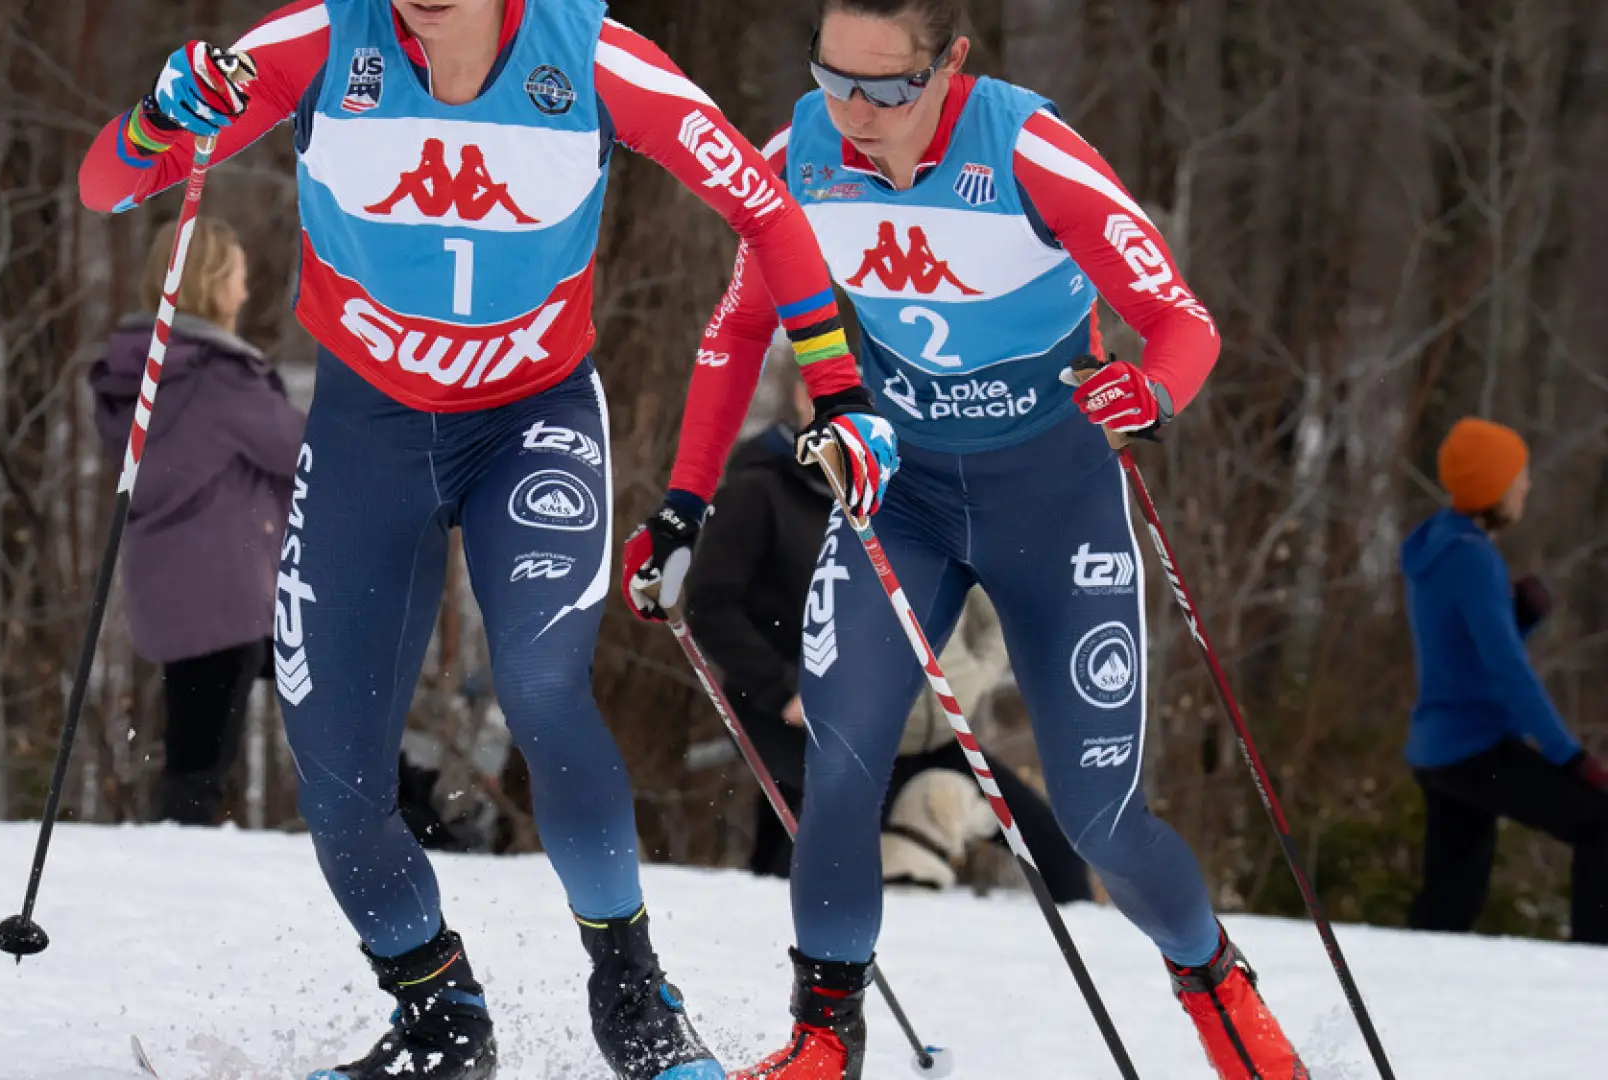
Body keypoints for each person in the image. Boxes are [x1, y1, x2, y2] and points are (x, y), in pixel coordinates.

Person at [77, 3, 896, 1078]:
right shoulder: (317, 43)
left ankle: (633, 995)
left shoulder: (590, 55)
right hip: (372, 430)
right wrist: (159, 117)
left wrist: (839, 390)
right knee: (334, 771)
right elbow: (108, 183)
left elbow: (768, 210)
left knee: (542, 688)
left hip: (530, 420)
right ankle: (438, 1016)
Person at [674, 1, 1311, 1076]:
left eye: (888, 87)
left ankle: (1217, 988)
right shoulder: (799, 156)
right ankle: (823, 1039)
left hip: (1054, 504)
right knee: (842, 762)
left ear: (950, 64)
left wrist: (1149, 391)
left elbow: (1183, 323)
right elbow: (739, 327)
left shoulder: (1028, 152)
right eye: (833, 78)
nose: (856, 111)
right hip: (905, 497)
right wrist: (685, 502)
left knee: (1101, 818)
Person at [684, 365, 1091, 903]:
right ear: (806, 397)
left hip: (915, 731)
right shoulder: (761, 490)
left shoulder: (902, 494)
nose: (863, 411)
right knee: (813, 853)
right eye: (843, 394)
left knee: (1055, 855)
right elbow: (710, 606)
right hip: (801, 719)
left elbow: (976, 594)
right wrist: (783, 687)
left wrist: (975, 672)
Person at [89, 217, 304, 827]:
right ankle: (404, 812)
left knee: (195, 747)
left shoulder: (138, 376)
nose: (245, 290)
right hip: (231, 593)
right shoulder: (218, 379)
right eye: (236, 276)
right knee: (205, 766)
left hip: (170, 590)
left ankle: (408, 799)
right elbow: (302, 449)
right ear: (211, 283)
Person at [1402, 418, 1608, 943]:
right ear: (1494, 487)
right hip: (1475, 748)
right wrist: (1569, 756)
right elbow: (1508, 669)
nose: (1527, 485)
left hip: (1438, 748)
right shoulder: (1474, 559)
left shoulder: (1436, 544)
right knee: (1600, 823)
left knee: (1451, 903)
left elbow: (1459, 648)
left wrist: (1519, 618)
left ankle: (1414, 982)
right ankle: (1594, 968)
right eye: (1519, 476)